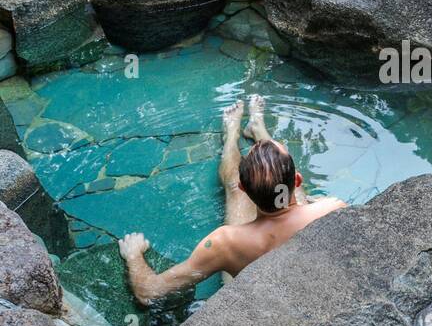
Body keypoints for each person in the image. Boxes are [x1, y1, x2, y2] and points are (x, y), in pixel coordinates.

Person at [118, 94, 345, 306]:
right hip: (300, 290)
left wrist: (133, 255)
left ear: (244, 187)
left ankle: (231, 137)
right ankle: (257, 129)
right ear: (297, 180)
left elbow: (148, 292)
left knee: (234, 190)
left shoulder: (223, 243)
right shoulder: (330, 210)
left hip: (249, 295)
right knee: (295, 198)